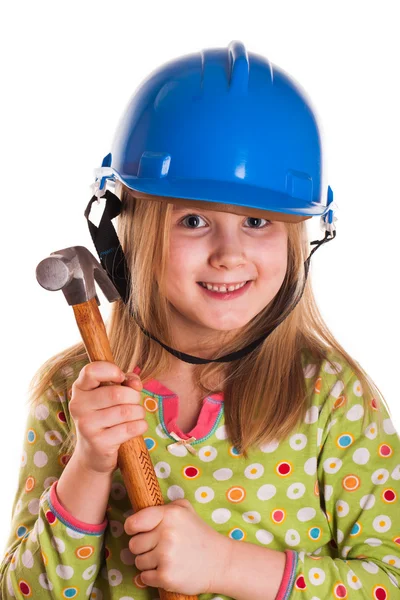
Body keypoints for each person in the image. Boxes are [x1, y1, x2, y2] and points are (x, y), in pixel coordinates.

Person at [1, 40, 399, 600]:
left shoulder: (331, 396)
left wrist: (228, 567)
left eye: (258, 221)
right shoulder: (75, 393)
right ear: (124, 227)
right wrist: (90, 467)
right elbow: (25, 595)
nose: (228, 254)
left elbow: (390, 581)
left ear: (301, 236)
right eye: (192, 220)